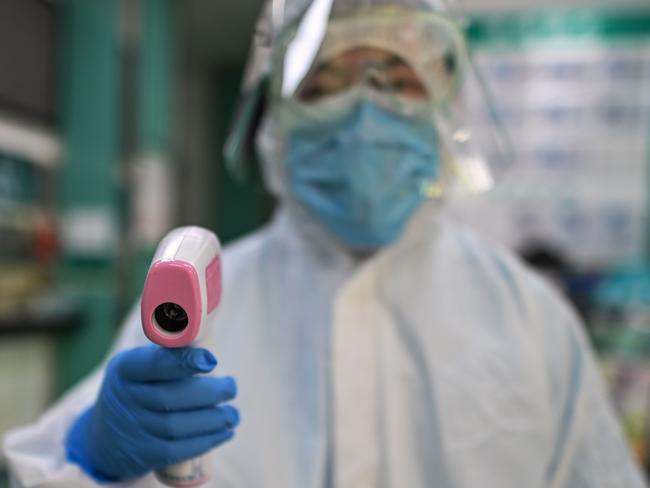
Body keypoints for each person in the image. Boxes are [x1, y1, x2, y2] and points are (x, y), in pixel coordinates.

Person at [3, 0, 646, 486]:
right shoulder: (203, 299)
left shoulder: (531, 319)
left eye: (396, 79)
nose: (363, 112)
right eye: (324, 85)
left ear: (444, 109)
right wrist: (93, 457)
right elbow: (40, 469)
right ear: (275, 121)